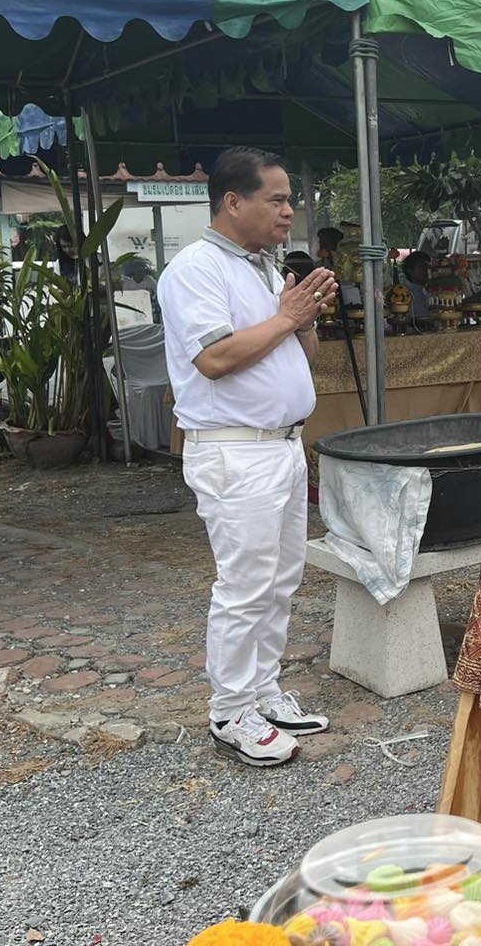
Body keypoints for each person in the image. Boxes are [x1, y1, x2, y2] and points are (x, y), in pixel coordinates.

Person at [156, 147, 338, 768]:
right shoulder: (196, 269)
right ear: (233, 202)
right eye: (277, 199)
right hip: (235, 450)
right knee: (245, 584)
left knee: (281, 579)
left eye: (290, 200)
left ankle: (262, 691)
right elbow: (215, 359)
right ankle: (231, 710)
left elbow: (301, 356)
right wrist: (288, 315)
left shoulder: (264, 267)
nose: (289, 211)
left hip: (281, 445)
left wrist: (303, 319)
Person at [398, 251, 432, 320]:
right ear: (410, 271)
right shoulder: (402, 292)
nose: (426, 271)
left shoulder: (432, 289)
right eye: (422, 268)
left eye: (429, 267)